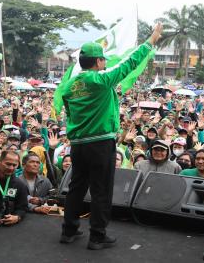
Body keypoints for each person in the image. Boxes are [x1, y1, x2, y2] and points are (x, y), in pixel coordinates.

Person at [60, 23, 163, 250]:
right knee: (101, 190)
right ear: (97, 62)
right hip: (100, 142)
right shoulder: (100, 80)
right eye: (103, 59)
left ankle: (68, 230)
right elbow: (129, 64)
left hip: (78, 144)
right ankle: (97, 236)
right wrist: (151, 40)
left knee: (77, 187)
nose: (106, 62)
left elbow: (70, 113)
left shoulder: (68, 86)